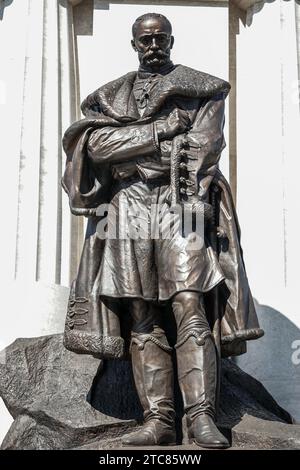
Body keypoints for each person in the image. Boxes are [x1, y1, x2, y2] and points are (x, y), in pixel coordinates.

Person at [62, 13, 264, 448]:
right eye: (145, 39)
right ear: (134, 45)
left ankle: (202, 417)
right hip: (128, 206)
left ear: (172, 39)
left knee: (190, 302)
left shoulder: (204, 89)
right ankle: (159, 420)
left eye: (160, 38)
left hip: (183, 202)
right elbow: (96, 147)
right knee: (140, 312)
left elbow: (205, 147)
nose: (154, 45)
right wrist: (161, 132)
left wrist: (133, 148)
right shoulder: (108, 97)